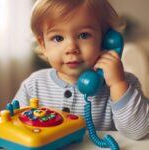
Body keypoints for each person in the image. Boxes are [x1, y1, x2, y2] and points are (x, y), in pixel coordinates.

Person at [13, 0, 149, 140]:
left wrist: (117, 84)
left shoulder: (125, 84)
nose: (71, 48)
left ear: (105, 40)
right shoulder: (33, 85)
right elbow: (15, 131)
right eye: (58, 38)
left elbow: (138, 132)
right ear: (43, 45)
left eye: (84, 35)